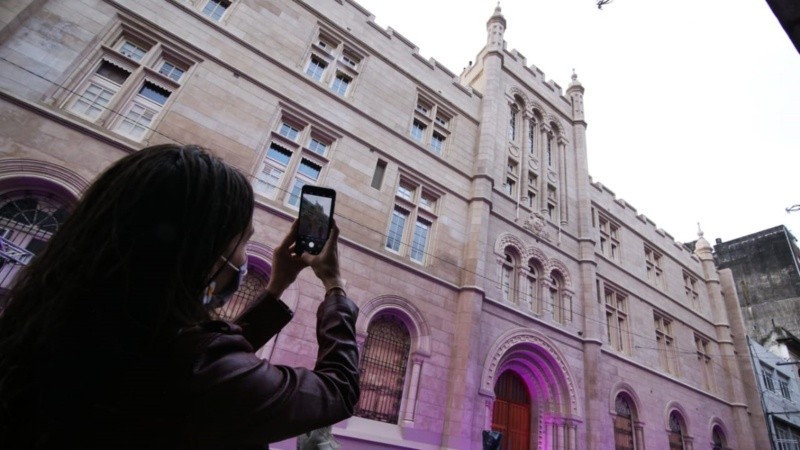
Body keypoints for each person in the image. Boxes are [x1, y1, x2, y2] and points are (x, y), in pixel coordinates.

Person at [0, 144, 360, 449]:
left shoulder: (57, 327)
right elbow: (338, 390)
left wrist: (277, 286)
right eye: (243, 241)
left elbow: (203, 364)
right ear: (201, 252)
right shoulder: (191, 372)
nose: (243, 258)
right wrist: (334, 284)